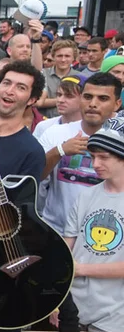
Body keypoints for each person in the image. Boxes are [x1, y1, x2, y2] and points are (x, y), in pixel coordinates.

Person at [65, 116, 124, 332]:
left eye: (104, 157)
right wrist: (60, 303)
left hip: (114, 317)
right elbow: (66, 246)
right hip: (74, 310)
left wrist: (81, 269)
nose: (95, 163)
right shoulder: (86, 196)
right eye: (93, 157)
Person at [39, 73, 122, 234]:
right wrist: (60, 151)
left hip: (106, 233)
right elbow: (36, 177)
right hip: (56, 229)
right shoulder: (55, 132)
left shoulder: (121, 137)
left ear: (117, 104)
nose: (93, 104)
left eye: (103, 99)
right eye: (88, 97)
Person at [33, 74, 86, 140]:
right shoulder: (43, 126)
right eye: (59, 95)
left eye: (69, 96)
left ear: (84, 99)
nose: (60, 100)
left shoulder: (91, 130)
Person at [36, 40, 79, 118]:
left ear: (74, 58)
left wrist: (48, 101)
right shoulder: (42, 74)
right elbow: (36, 102)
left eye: (67, 56)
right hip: (43, 121)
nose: (63, 60)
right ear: (53, 56)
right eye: (59, 56)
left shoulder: (80, 77)